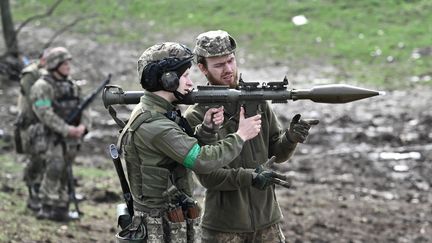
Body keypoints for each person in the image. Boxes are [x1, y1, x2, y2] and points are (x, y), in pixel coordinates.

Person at [115, 42, 262, 243]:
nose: (191, 83)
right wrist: (240, 136)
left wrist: (207, 129)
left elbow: (182, 147)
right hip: (160, 227)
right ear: (168, 80)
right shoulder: (155, 125)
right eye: (184, 76)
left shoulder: (158, 112)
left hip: (169, 219)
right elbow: (201, 160)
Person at [184, 30, 319, 242]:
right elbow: (208, 177)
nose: (228, 69)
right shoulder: (197, 117)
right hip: (224, 228)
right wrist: (252, 177)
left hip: (267, 224)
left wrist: (290, 138)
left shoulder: (256, 101)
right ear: (202, 68)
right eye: (219, 65)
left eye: (230, 60)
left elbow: (276, 153)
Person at [29, 46, 91, 221]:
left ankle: (61, 208)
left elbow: (84, 108)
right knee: (53, 168)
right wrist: (66, 129)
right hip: (51, 136)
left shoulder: (72, 85)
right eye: (64, 63)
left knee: (66, 170)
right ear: (54, 65)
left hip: (71, 138)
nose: (68, 67)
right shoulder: (42, 86)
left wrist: (83, 127)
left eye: (68, 63)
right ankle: (46, 206)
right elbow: (44, 112)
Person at [15, 49, 49, 211]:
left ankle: (42, 193)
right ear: (43, 59)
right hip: (31, 124)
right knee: (35, 159)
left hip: (44, 123)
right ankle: (32, 194)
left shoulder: (48, 74)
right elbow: (35, 98)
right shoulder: (30, 74)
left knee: (46, 160)